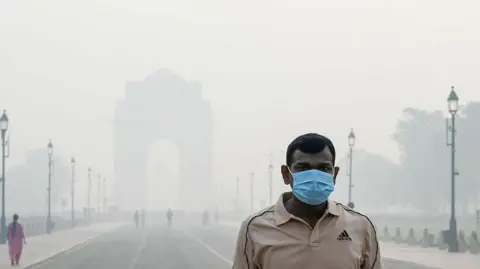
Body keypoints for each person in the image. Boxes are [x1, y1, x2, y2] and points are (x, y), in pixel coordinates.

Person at [232, 133, 382, 269]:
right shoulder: (255, 228)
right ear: (286, 174)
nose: (314, 176)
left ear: (334, 175)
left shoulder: (361, 227)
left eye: (323, 169)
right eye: (303, 168)